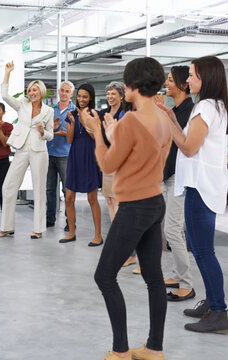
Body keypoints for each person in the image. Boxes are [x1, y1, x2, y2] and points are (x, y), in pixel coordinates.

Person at [83, 57, 171, 360]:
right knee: (154, 277)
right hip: (155, 202)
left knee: (104, 276)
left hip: (134, 207)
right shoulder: (164, 117)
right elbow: (144, 157)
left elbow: (108, 164)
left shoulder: (132, 121)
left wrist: (98, 132)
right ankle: (154, 348)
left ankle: (120, 350)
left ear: (131, 86)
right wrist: (113, 133)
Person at [158, 56, 228, 333]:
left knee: (202, 251)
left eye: (192, 75)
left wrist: (170, 121)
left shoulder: (207, 106)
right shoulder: (217, 106)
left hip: (200, 187)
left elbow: (187, 148)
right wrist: (172, 117)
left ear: (206, 77)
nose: (188, 80)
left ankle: (220, 311)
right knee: (201, 250)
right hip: (202, 185)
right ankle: (213, 302)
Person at [0, 61, 54, 239]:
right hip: (21, 149)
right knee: (8, 186)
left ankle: (38, 229)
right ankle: (7, 227)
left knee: (39, 189)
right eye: (29, 90)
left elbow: (51, 134)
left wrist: (44, 133)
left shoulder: (49, 111)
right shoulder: (22, 105)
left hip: (39, 151)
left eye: (35, 90)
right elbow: (4, 95)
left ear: (41, 92)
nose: (31, 92)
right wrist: (7, 73)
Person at [160, 66, 195, 302]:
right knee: (170, 230)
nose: (166, 83)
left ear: (183, 84)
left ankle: (186, 284)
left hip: (180, 178)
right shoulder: (174, 110)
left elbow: (185, 144)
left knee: (173, 229)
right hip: (167, 175)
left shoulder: (191, 112)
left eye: (171, 80)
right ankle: (177, 274)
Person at [59, 83, 103, 246]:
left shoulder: (94, 114)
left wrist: (84, 120)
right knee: (69, 197)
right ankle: (71, 232)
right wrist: (71, 122)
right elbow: (70, 139)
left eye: (85, 96)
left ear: (90, 98)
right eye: (79, 96)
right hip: (75, 156)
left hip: (90, 156)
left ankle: (98, 235)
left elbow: (95, 137)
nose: (81, 99)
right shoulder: (71, 114)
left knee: (92, 198)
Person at [46, 81, 75, 229]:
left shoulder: (74, 111)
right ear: (58, 91)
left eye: (67, 91)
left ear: (71, 94)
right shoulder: (51, 110)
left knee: (67, 190)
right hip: (49, 153)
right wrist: (54, 130)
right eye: (62, 90)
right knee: (50, 189)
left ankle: (70, 222)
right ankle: (49, 218)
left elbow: (77, 134)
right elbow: (45, 130)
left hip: (65, 155)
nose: (64, 93)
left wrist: (66, 133)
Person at [98, 81, 127, 222]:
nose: (110, 96)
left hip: (120, 161)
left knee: (117, 199)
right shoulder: (103, 114)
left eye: (113, 93)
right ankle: (113, 231)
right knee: (109, 199)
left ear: (121, 96)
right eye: (108, 93)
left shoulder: (125, 113)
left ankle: (119, 233)